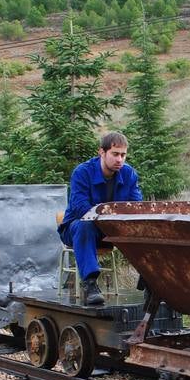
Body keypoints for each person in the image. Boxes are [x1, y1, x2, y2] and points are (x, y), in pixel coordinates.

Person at [58, 131, 142, 305]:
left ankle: (151, 281)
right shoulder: (82, 172)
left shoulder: (129, 174)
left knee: (143, 229)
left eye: (123, 155)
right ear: (102, 152)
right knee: (85, 226)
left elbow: (135, 207)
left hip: (112, 230)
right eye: (115, 154)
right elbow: (81, 208)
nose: (120, 159)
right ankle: (89, 284)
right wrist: (110, 220)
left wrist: (120, 225)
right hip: (76, 229)